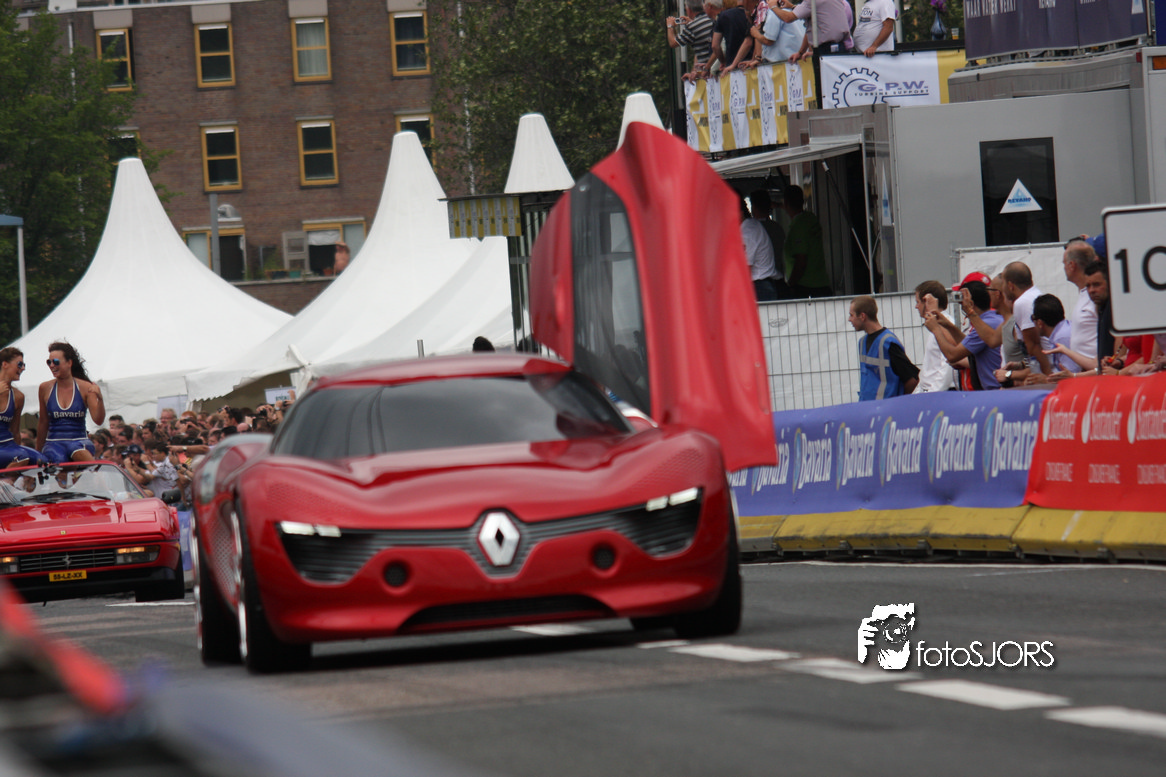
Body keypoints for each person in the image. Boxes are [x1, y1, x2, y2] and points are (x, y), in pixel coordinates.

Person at [924, 280, 1003, 390]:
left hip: (995, 390)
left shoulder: (986, 324)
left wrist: (936, 329)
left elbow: (952, 355)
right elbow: (969, 344)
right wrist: (948, 326)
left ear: (971, 303)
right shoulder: (993, 319)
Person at [37, 342, 105, 463]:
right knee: (59, 458)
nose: (52, 366)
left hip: (79, 441)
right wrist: (38, 453)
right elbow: (43, 422)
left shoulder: (86, 387)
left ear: (69, 363)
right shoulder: (45, 388)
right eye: (49, 362)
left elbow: (98, 420)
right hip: (54, 443)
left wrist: (100, 400)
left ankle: (92, 472)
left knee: (76, 450)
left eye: (56, 362)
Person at [849, 295, 919, 400]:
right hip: (868, 407)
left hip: (886, 408)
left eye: (851, 315)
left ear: (862, 316)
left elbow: (912, 379)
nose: (849, 319)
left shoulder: (888, 343)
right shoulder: (862, 342)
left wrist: (897, 401)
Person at [1002, 261, 1052, 376]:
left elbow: (1034, 344)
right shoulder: (1035, 294)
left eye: (1003, 283)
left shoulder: (1022, 303)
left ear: (1010, 285)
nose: (1002, 288)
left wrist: (1048, 376)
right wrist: (1022, 365)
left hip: (1046, 369)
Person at [782, 185, 831, 297]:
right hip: (821, 285)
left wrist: (790, 285)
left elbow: (801, 261)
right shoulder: (810, 219)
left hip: (805, 288)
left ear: (786, 203)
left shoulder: (798, 227)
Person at [0, 348, 46, 468]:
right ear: (5, 364)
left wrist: (17, 449)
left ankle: (13, 478)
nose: (23, 368)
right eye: (20, 364)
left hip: (8, 445)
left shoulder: (18, 396)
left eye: (24, 365)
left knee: (43, 461)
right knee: (22, 457)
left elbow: (15, 431)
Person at [912, 281, 954, 392]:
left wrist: (933, 393)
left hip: (937, 392)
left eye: (918, 302)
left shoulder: (945, 325)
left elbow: (947, 365)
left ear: (926, 301)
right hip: (929, 391)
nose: (916, 306)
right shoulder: (935, 325)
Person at [1024, 294, 1076, 383]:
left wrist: (1046, 380)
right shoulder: (1064, 329)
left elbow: (1071, 377)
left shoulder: (1061, 338)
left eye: (1033, 319)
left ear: (1040, 323)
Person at [748, 189, 791, 297]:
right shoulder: (778, 228)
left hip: (761, 283)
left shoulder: (752, 231)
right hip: (779, 281)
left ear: (753, 207)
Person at [1062, 238, 1098, 366]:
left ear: (1072, 265)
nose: (1064, 268)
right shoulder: (1084, 295)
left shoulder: (1095, 297)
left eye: (1064, 263)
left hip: (1096, 371)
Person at [740, 196, 781, 301]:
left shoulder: (747, 233)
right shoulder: (750, 226)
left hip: (760, 288)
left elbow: (745, 270)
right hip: (762, 285)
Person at [696, 0, 750, 76]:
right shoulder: (750, 13)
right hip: (750, 63)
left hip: (730, 67)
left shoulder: (723, 17)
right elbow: (749, 41)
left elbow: (716, 46)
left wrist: (716, 66)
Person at [747, 0, 805, 65]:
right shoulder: (796, 10)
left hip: (783, 63)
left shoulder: (774, 12)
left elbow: (768, 40)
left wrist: (756, 33)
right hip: (800, 60)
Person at [668, 0, 714, 78]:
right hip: (716, 67)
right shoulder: (712, 18)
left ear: (689, 10)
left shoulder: (692, 27)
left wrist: (670, 26)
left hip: (705, 72)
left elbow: (673, 43)